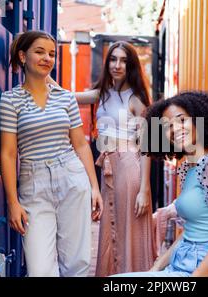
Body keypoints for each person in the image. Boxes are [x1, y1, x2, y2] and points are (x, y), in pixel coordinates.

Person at [0, 30, 103, 277]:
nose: (47, 58)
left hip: (71, 177)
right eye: (40, 52)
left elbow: (79, 144)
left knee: (77, 264)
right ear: (23, 56)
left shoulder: (65, 97)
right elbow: (9, 153)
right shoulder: (10, 100)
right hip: (34, 184)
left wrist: (94, 187)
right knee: (40, 270)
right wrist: (13, 203)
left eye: (52, 54)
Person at [50, 40, 157, 276]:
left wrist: (144, 189)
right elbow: (66, 96)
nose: (117, 65)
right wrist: (42, 70)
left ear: (131, 66)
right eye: (113, 59)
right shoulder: (103, 94)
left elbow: (150, 144)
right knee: (111, 227)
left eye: (123, 60)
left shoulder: (136, 99)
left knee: (130, 227)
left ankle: (133, 276)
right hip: (109, 166)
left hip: (130, 167)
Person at [114, 91, 208, 277]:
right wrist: (155, 268)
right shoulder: (188, 169)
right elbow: (189, 232)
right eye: (168, 126)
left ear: (200, 119)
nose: (175, 129)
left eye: (182, 120)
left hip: (204, 270)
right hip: (180, 264)